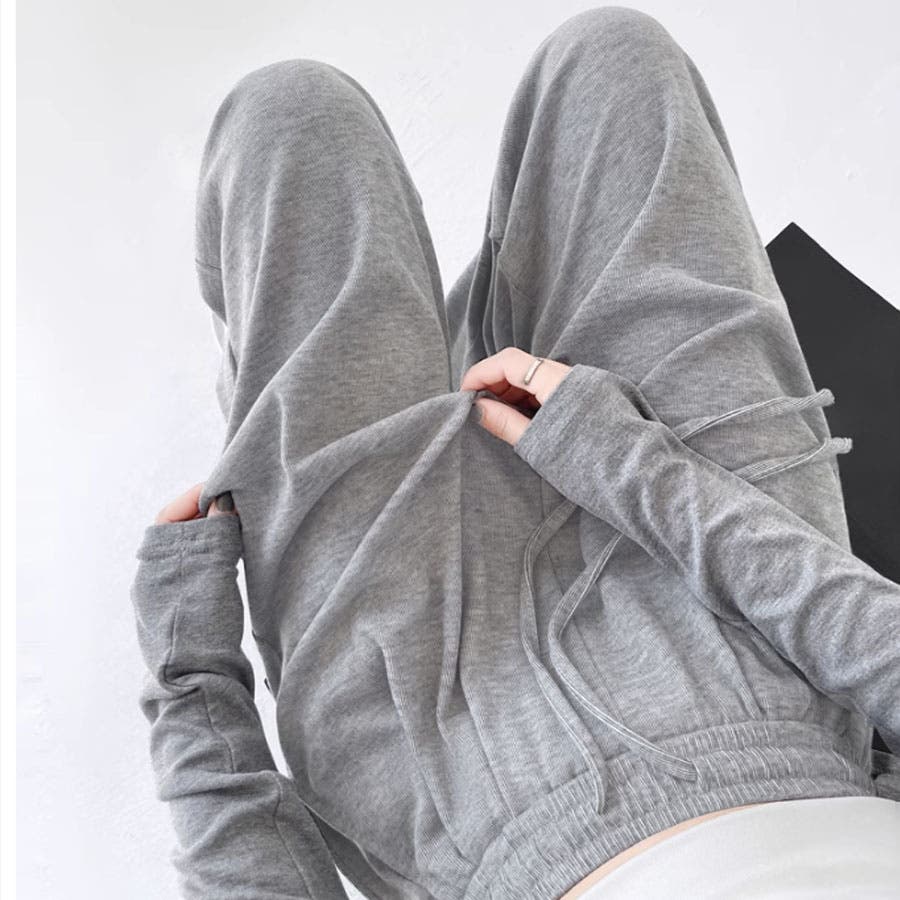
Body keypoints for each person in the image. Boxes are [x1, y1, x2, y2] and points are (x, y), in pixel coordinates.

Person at [130, 7, 900, 899]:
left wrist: (190, 683)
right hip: (781, 672)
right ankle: (478, 369)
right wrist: (632, 466)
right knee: (615, 59)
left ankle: (461, 369)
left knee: (288, 117)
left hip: (437, 752)